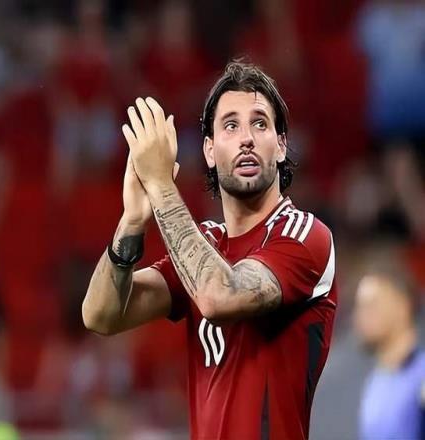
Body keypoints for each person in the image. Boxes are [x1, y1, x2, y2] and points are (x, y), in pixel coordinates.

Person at [82, 61, 337, 440]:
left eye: (260, 124)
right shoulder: (206, 243)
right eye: (231, 126)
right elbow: (100, 316)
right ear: (210, 151)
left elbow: (219, 296)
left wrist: (161, 185)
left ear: (281, 146)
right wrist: (132, 221)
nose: (246, 138)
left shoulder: (304, 235)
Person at [354, 267, 425, 440]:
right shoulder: (375, 382)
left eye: (371, 305)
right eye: (359, 306)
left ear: (402, 306)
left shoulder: (421, 376)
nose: (361, 315)